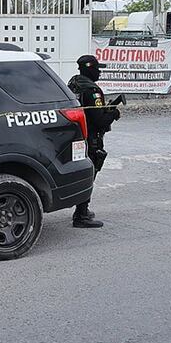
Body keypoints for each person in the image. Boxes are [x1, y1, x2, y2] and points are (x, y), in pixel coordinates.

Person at [67, 54, 120, 228]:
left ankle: (81, 210)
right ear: (90, 69)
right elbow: (100, 121)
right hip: (91, 138)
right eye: (97, 69)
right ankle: (81, 215)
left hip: (75, 136)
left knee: (82, 172)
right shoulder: (92, 90)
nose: (99, 72)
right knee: (90, 174)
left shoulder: (73, 84)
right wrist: (113, 114)